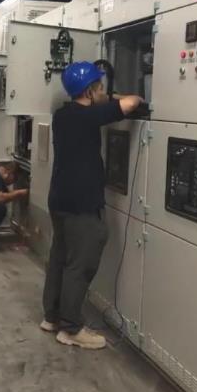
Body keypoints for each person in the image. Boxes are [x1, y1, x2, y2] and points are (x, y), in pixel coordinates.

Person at [41, 61, 143, 350]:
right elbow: (133, 102)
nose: (104, 91)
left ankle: (52, 317)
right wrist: (125, 96)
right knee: (80, 265)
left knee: (60, 258)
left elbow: (101, 105)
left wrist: (103, 97)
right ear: (89, 91)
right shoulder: (90, 116)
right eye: (100, 87)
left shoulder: (62, 115)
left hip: (59, 199)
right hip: (82, 203)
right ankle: (71, 329)